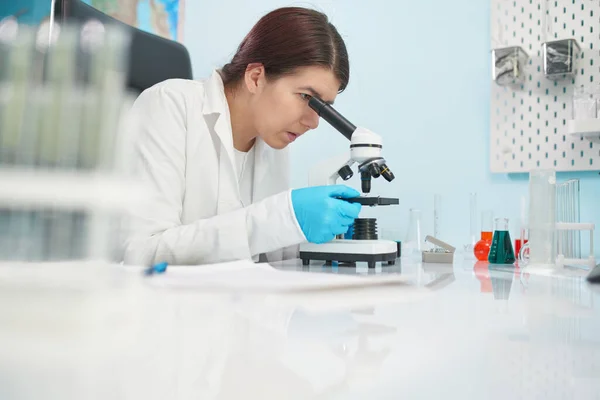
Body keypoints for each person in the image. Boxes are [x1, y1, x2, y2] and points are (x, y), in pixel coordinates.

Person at [121, 7, 362, 266]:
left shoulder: (273, 141)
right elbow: (141, 252)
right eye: (306, 97)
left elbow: (263, 250)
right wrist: (284, 216)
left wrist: (314, 237)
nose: (313, 122)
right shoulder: (169, 105)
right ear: (256, 77)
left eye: (325, 107)